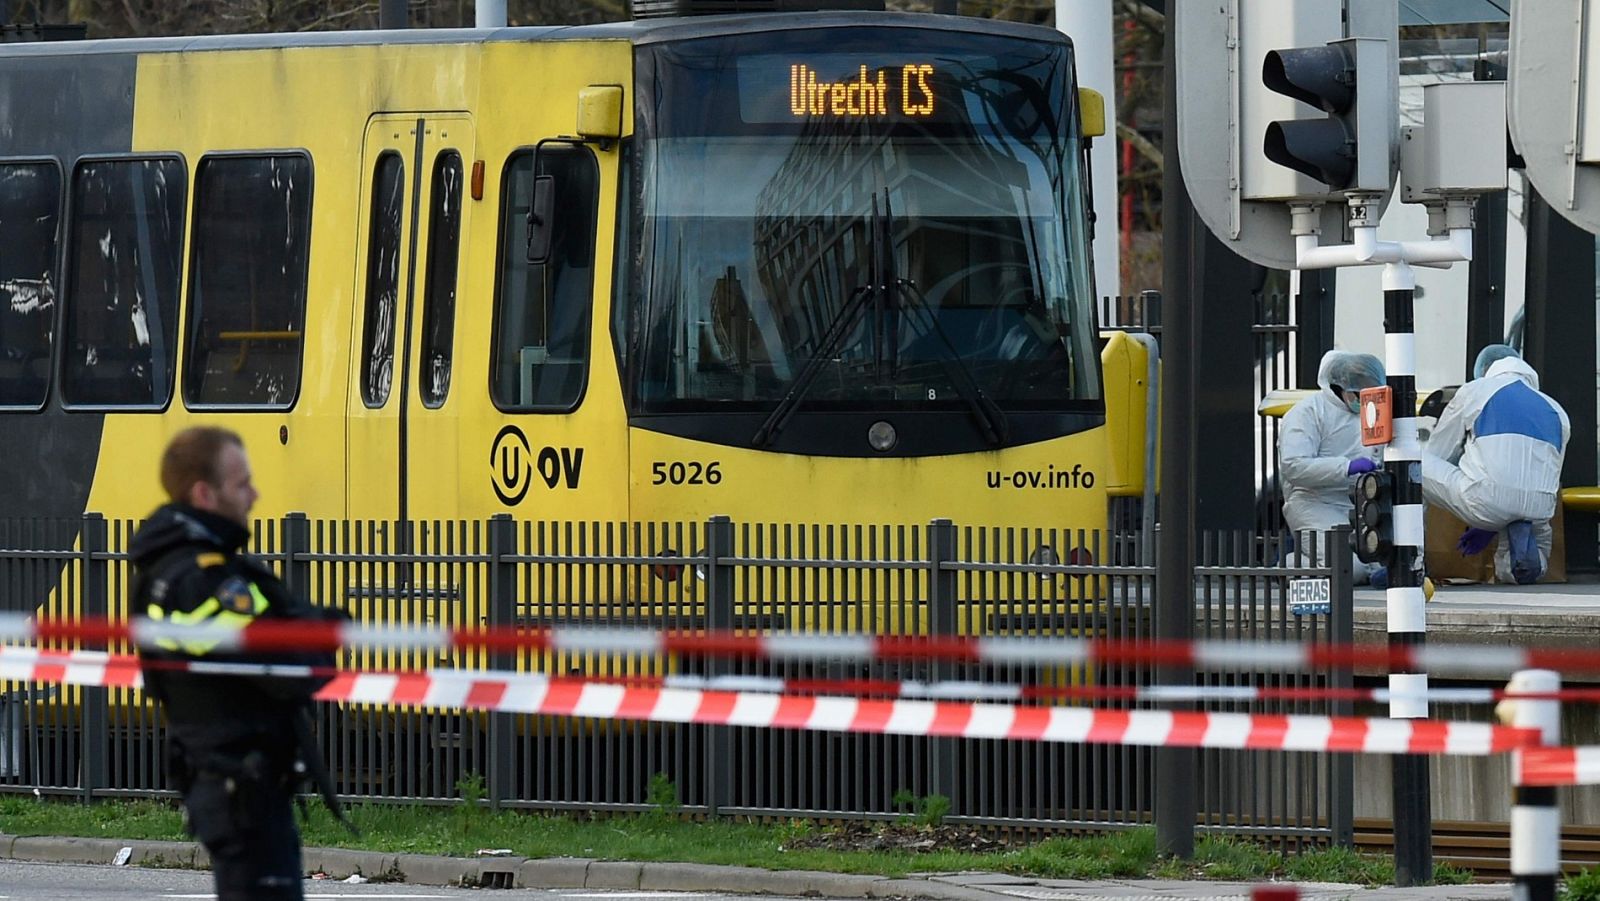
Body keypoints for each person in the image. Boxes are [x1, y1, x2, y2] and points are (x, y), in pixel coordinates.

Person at [130, 426, 349, 901]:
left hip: (236, 786)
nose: (255, 495)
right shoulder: (200, 578)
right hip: (241, 791)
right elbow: (284, 667)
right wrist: (323, 634)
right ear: (205, 493)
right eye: (242, 483)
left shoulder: (175, 570)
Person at [1424, 345, 1570, 585]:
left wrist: (1477, 510)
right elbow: (1551, 471)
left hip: (1486, 500)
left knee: (1410, 465)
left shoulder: (1477, 390)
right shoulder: (1557, 410)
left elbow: (1440, 451)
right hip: (1540, 507)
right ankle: (1521, 568)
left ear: (1485, 370)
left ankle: (1410, 560)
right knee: (1511, 570)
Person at [1280, 350, 1387, 585]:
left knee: (1378, 557)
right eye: (1360, 394)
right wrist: (1346, 467)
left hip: (1357, 503)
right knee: (1347, 569)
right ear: (1341, 387)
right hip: (1313, 503)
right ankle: (1289, 565)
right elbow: (1293, 466)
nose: (1365, 400)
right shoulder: (1307, 413)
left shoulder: (1372, 413)